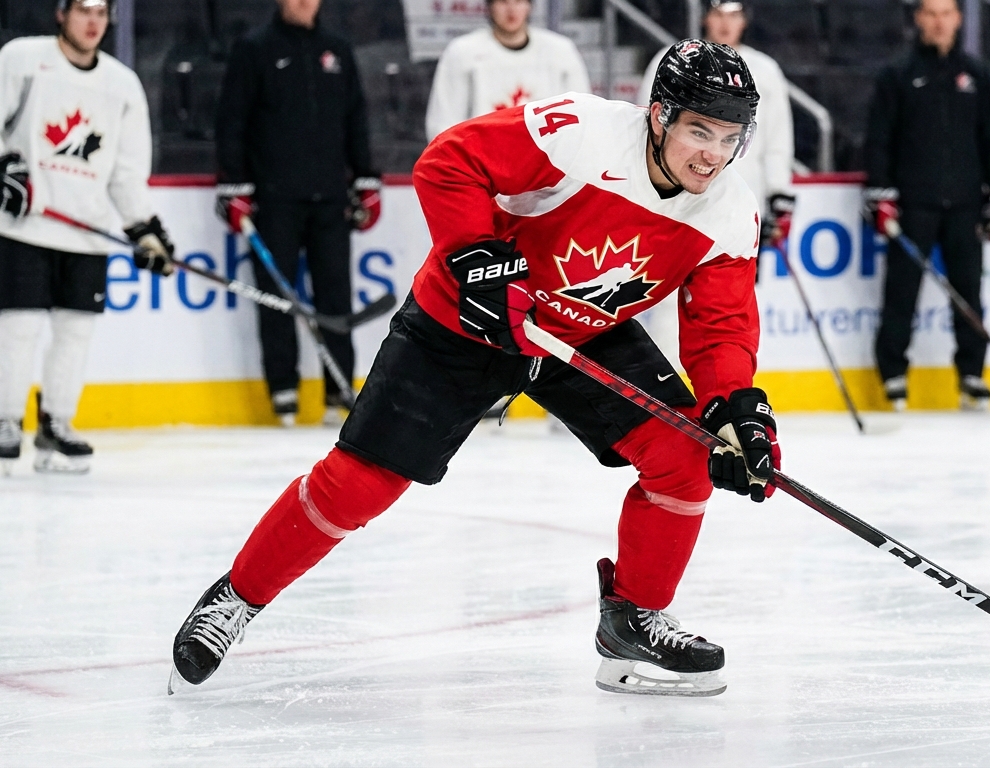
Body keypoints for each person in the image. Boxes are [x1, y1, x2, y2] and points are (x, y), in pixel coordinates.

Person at [170, 40, 778, 699]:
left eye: (728, 138)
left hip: (580, 333)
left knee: (687, 455)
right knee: (360, 484)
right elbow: (450, 160)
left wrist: (733, 407)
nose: (712, 155)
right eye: (698, 131)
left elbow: (720, 323)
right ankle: (237, 597)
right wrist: (476, 256)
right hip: (466, 322)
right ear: (659, 117)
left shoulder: (729, 209)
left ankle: (633, 622)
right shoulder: (581, 134)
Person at [0, 0, 174, 475]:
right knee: (18, 329)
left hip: (86, 231)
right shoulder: (20, 59)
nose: (94, 22)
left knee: (75, 334)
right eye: (83, 10)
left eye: (102, 12)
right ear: (61, 14)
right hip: (24, 227)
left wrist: (146, 228)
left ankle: (56, 426)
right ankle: (5, 422)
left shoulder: (121, 85)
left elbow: (126, 171)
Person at [215, 0, 382, 427]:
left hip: (330, 198)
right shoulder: (255, 48)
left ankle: (338, 389)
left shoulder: (337, 50)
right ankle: (283, 389)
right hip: (274, 200)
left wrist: (366, 178)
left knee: (335, 297)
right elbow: (232, 118)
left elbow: (356, 118)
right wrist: (233, 185)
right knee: (277, 299)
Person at [863, 0, 990, 412]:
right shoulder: (898, 74)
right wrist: (880, 193)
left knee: (968, 292)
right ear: (918, 19)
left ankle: (972, 373)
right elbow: (879, 139)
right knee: (901, 294)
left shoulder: (978, 75)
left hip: (965, 203)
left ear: (959, 19)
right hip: (913, 205)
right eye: (931, 13)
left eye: (946, 13)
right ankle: (893, 373)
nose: (939, 21)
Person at [637, 0, 793, 243]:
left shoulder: (765, 70)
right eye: (718, 14)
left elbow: (777, 139)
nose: (725, 23)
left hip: (740, 202)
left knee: (735, 280)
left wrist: (778, 193)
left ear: (744, 20)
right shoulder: (675, 61)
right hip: (674, 204)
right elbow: (646, 125)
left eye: (733, 15)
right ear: (704, 17)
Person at [424, 0, 590, 141]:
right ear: (489, 6)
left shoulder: (560, 50)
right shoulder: (462, 52)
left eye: (518, 1)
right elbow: (443, 123)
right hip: (483, 164)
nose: (511, 9)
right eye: (503, 1)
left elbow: (582, 115)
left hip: (546, 166)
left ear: (529, 5)